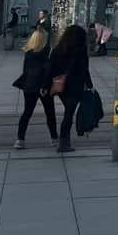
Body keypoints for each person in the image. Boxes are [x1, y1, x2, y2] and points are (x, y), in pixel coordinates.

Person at [45, 25, 91, 153]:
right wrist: (90, 85)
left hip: (61, 86)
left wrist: (46, 85)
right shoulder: (80, 50)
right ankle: (64, 142)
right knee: (69, 114)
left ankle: (64, 141)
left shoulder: (57, 49)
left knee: (68, 112)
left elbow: (50, 69)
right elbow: (84, 70)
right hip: (75, 86)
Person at [13, 25, 56, 149]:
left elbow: (25, 70)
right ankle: (54, 138)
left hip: (29, 86)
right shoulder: (47, 52)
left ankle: (20, 139)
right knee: (50, 113)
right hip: (43, 86)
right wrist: (45, 86)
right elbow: (48, 71)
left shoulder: (28, 53)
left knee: (27, 112)